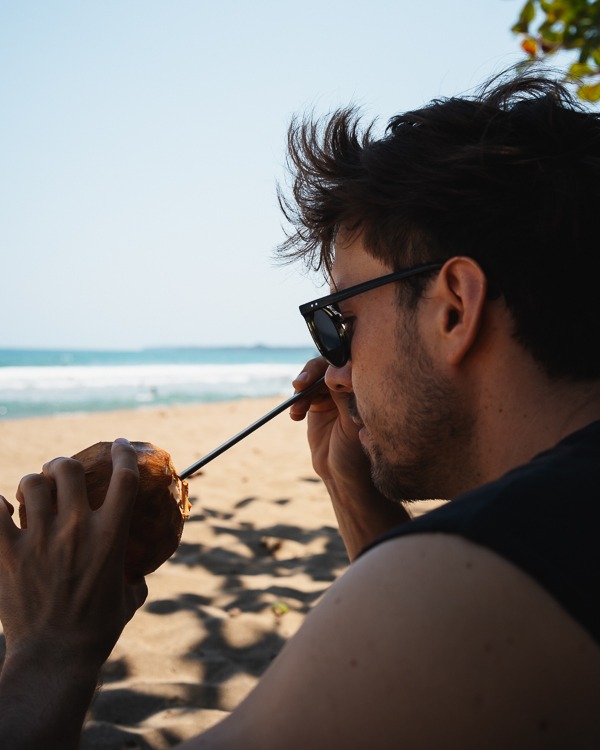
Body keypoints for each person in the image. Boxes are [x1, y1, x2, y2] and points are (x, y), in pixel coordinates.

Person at [2, 69, 600, 748]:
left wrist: (48, 648)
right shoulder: (551, 540)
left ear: (454, 307)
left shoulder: (475, 588)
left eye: (337, 320)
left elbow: (430, 617)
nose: (335, 371)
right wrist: (353, 485)